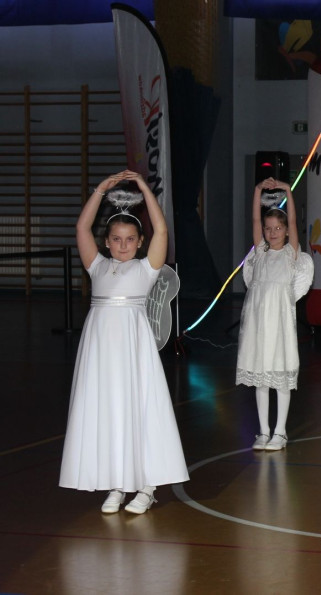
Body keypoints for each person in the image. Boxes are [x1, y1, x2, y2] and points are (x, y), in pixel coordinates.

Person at [59, 170, 189, 514]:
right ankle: (118, 482)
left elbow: (161, 229)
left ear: (140, 242)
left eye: (130, 239)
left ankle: (146, 486)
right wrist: (101, 189)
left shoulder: (146, 269)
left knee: (139, 409)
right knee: (109, 411)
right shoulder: (97, 266)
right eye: (116, 239)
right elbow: (81, 229)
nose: (122, 245)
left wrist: (145, 189)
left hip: (133, 348)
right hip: (100, 348)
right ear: (107, 241)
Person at [236, 178, 314, 452]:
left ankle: (280, 432)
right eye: (268, 229)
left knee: (279, 374)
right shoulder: (259, 253)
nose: (272, 232)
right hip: (258, 324)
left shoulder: (292, 254)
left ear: (286, 231)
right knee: (260, 377)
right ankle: (263, 431)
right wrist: (257, 190)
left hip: (279, 323)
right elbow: (254, 221)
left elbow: (294, 221)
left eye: (278, 228)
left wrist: (287, 191)